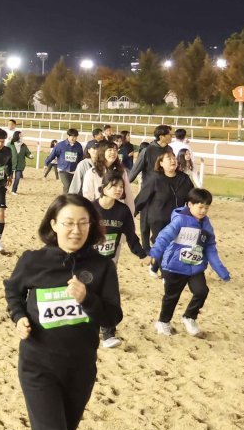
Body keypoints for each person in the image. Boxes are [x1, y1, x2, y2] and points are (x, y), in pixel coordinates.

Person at [4, 194, 122, 430]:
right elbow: (13, 291)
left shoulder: (101, 267)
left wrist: (87, 297)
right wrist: (19, 317)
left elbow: (112, 318)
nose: (76, 230)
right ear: (53, 225)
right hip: (38, 366)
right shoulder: (33, 261)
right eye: (68, 223)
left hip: (80, 368)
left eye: (83, 223)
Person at [148, 188, 230, 338]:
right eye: (200, 207)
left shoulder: (206, 224)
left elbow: (210, 247)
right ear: (189, 205)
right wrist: (153, 253)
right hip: (174, 267)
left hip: (195, 267)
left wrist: (221, 270)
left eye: (206, 208)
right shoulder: (180, 220)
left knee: (201, 291)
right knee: (171, 297)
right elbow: (164, 237)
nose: (203, 211)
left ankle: (189, 317)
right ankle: (163, 322)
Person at [90, 172, 145, 348]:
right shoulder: (91, 209)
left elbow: (131, 236)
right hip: (87, 261)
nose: (118, 189)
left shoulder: (123, 211)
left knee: (110, 296)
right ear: (103, 188)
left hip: (108, 262)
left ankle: (108, 333)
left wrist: (142, 254)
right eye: (114, 186)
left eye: (121, 187)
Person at [134, 148, 194, 275]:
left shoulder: (184, 179)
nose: (173, 160)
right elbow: (141, 198)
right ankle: (166, 276)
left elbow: (193, 197)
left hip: (178, 219)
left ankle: (155, 267)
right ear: (160, 163)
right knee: (164, 245)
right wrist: (130, 213)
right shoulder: (155, 179)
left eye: (174, 158)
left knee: (174, 246)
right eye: (168, 158)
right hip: (158, 219)